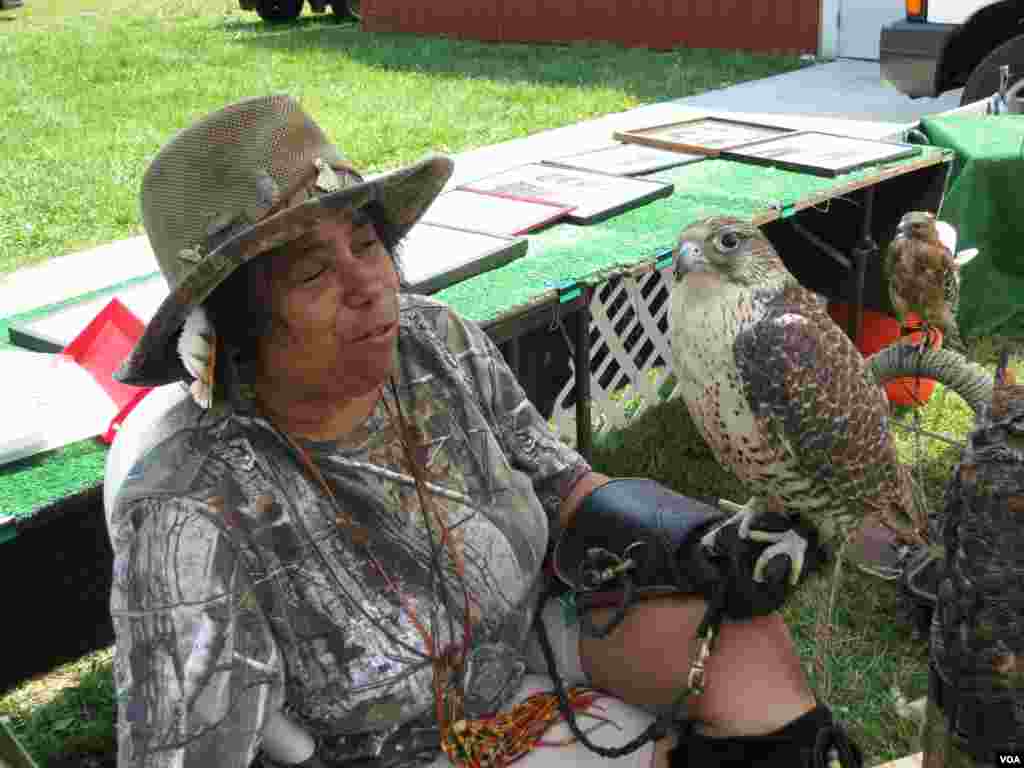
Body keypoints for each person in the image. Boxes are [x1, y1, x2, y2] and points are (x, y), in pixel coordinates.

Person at [104, 94, 863, 768]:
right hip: (382, 750)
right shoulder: (187, 506)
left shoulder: (435, 343)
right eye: (311, 273)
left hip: (530, 644)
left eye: (366, 245)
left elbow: (559, 483)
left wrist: (693, 540)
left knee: (744, 651)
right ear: (238, 329)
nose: (370, 286)